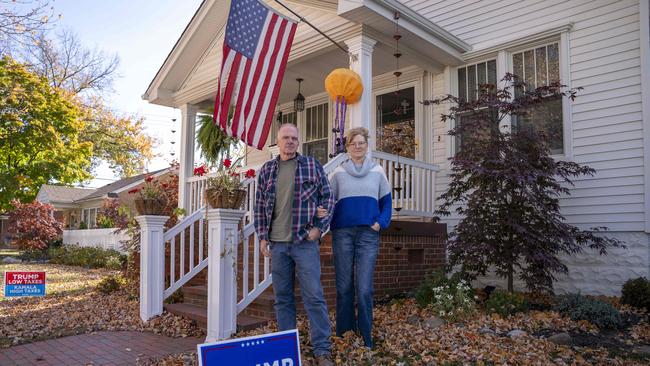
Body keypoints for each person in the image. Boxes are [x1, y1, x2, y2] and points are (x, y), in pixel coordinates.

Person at [254, 123, 335, 366]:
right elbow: (258, 206)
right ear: (277, 142)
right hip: (278, 245)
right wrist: (261, 236)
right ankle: (286, 349)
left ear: (298, 142)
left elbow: (328, 198)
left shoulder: (312, 165)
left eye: (294, 138)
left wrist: (319, 229)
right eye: (285, 138)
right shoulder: (267, 170)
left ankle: (322, 350)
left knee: (314, 297)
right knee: (283, 299)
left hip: (304, 243)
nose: (290, 141)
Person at [320, 127, 392, 348]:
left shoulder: (378, 171)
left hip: (368, 234)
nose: (357, 147)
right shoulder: (338, 173)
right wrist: (320, 215)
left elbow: (387, 202)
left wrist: (380, 223)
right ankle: (345, 333)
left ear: (367, 145)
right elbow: (327, 200)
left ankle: (366, 335)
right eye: (353, 144)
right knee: (344, 287)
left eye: (361, 143)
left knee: (364, 288)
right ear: (348, 147)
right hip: (342, 233)